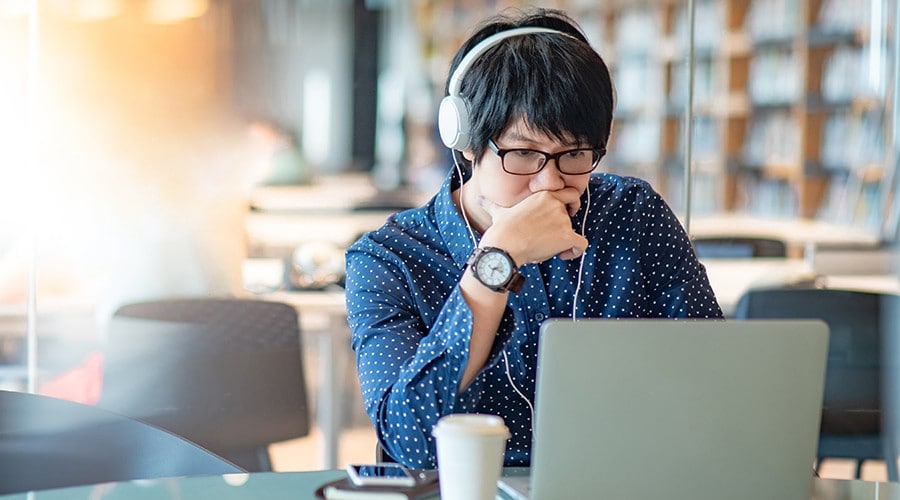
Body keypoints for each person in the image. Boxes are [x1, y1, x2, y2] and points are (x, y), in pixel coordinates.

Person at [344, 8, 723, 469]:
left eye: (575, 154)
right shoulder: (389, 259)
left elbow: (715, 384)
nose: (548, 183)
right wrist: (496, 259)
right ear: (464, 141)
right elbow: (412, 442)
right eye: (523, 153)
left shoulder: (633, 215)